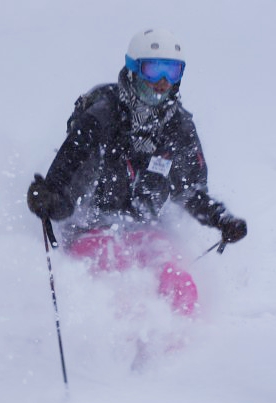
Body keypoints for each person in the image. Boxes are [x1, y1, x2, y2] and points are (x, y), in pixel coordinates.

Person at [27, 28, 247, 248]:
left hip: (144, 233)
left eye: (172, 71)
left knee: (163, 259)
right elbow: (67, 174)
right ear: (134, 70)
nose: (163, 81)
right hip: (89, 231)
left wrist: (220, 218)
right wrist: (50, 200)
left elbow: (190, 191)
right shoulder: (101, 117)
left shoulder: (179, 128)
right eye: (153, 70)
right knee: (109, 259)